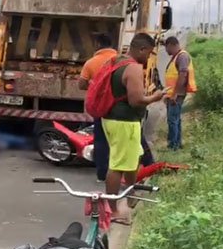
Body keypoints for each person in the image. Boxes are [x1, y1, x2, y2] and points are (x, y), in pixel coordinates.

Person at [102, 32, 166, 224]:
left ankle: (131, 195)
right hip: (124, 123)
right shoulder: (133, 68)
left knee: (133, 158)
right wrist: (155, 97)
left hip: (114, 120)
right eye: (149, 53)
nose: (149, 57)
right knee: (118, 166)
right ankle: (113, 211)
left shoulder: (116, 61)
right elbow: (137, 101)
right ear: (141, 49)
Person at [79, 33, 118, 182]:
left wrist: (93, 85)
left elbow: (81, 84)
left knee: (101, 140)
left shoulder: (91, 63)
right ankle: (118, 173)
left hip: (101, 108)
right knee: (117, 140)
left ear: (97, 45)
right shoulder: (121, 60)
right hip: (119, 108)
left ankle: (102, 174)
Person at [164, 36, 197, 150]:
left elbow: (183, 75)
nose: (166, 51)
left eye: (166, 48)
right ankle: (177, 143)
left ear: (171, 45)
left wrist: (174, 94)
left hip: (177, 95)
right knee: (175, 119)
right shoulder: (177, 56)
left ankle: (173, 146)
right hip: (173, 94)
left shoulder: (182, 56)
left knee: (173, 120)